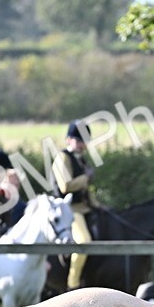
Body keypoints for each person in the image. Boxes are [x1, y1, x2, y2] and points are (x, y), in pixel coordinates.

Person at [53, 120, 96, 289]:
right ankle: (73, 282)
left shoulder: (81, 160)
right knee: (83, 241)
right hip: (68, 209)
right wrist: (86, 178)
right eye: (78, 141)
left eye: (83, 141)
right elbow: (65, 186)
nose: (81, 145)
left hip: (83, 207)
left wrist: (97, 205)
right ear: (68, 140)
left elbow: (85, 191)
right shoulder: (62, 157)